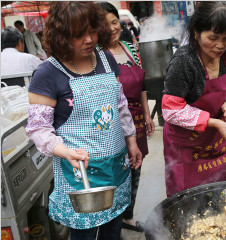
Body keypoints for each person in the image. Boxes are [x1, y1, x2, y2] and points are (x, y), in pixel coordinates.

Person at [25, 2, 142, 239]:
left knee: (113, 230)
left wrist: (131, 140)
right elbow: (38, 129)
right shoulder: (47, 73)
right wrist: (64, 151)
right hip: (80, 172)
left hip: (115, 166)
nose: (89, 40)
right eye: (79, 35)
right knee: (85, 234)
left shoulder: (106, 59)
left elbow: (120, 105)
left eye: (92, 31)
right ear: (60, 35)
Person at [162, 1, 226, 197]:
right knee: (186, 199)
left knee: (216, 195)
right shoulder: (184, 61)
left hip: (214, 141)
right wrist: (213, 122)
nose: (220, 45)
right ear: (196, 32)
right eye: (213, 38)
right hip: (185, 146)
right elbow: (171, 110)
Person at [98, 1, 155, 232]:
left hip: (138, 119)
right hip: (111, 122)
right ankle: (112, 220)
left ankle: (127, 216)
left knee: (136, 167)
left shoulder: (130, 47)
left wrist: (148, 114)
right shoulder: (97, 54)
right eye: (105, 24)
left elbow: (141, 83)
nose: (112, 28)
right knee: (116, 172)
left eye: (114, 22)